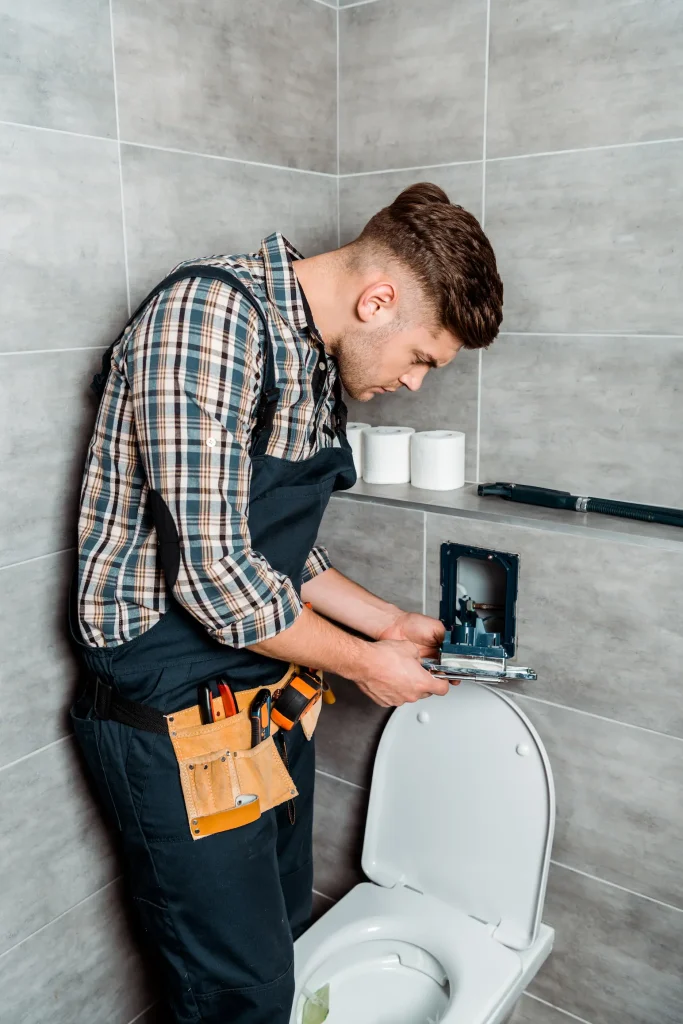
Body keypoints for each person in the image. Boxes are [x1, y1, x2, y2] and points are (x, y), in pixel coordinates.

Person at [70, 182, 503, 1023]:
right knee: (244, 993)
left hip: (261, 703)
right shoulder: (206, 321)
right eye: (422, 357)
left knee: (288, 932)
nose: (416, 384)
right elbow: (217, 582)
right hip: (172, 716)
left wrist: (387, 622)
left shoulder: (310, 349)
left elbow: (277, 544)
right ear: (378, 300)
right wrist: (365, 665)